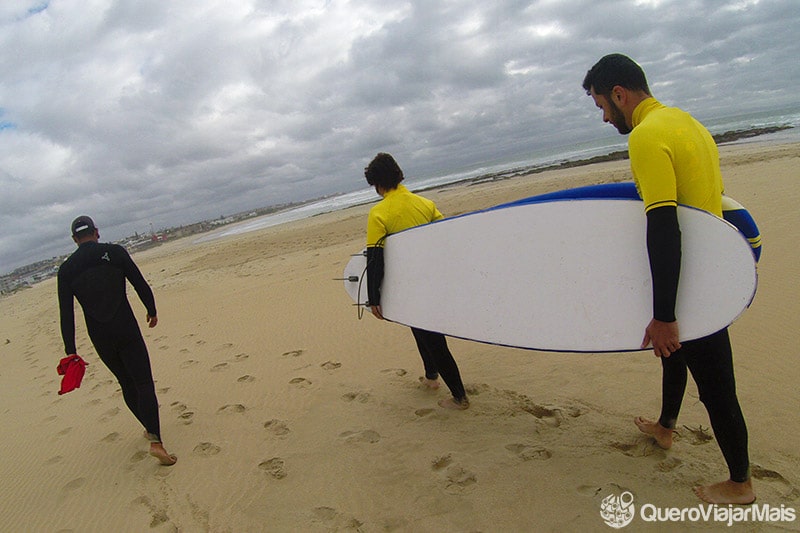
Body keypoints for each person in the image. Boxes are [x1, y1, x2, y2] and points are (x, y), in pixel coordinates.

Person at [582, 54, 754, 504]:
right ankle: (665, 428)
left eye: (602, 105)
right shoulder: (689, 124)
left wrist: (664, 314)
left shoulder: (645, 135)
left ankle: (740, 483)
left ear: (620, 94)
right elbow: (710, 200)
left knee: (717, 390)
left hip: (692, 282)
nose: (604, 116)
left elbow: (663, 224)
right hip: (709, 269)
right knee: (672, 355)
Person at [57, 215, 177, 465]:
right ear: (96, 232)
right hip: (126, 328)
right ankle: (156, 440)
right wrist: (151, 310)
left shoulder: (66, 270)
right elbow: (140, 284)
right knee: (143, 382)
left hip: (100, 336)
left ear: (74, 239)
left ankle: (148, 426)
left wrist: (71, 350)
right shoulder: (115, 253)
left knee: (126, 382)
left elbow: (66, 313)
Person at [364, 153, 469, 410]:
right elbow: (446, 239)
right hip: (434, 281)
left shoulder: (379, 213)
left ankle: (460, 397)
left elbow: (375, 259)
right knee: (419, 330)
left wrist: (374, 298)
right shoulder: (425, 204)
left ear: (378, 183)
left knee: (433, 340)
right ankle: (432, 377)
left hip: (410, 287)